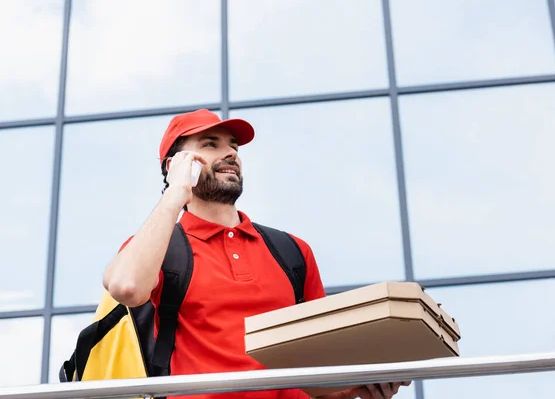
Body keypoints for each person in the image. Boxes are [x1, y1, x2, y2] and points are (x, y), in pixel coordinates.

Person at [102, 109, 411, 399]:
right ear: (175, 164)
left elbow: (314, 363)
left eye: (233, 145)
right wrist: (175, 192)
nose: (230, 153)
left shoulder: (292, 251)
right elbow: (127, 286)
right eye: (210, 144)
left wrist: (350, 390)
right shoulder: (160, 248)